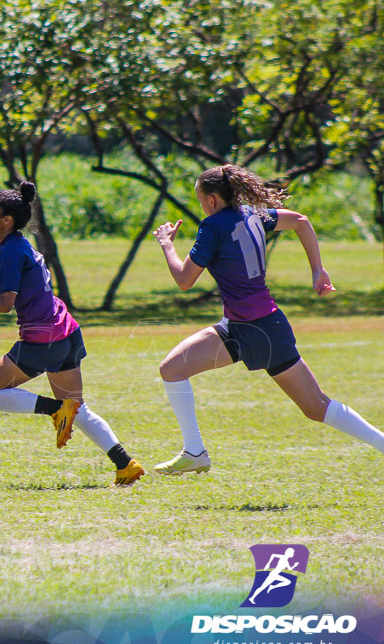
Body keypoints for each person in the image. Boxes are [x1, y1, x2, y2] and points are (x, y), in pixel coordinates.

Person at [152, 164, 384, 474]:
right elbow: (300, 221)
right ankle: (194, 452)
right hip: (241, 325)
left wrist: (167, 243)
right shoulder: (253, 214)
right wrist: (318, 269)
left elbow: (184, 280)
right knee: (172, 368)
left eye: (199, 199)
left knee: (316, 407)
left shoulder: (212, 226)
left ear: (211, 200)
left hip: (261, 328)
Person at [0, 182, 145, 486]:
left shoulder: (12, 251)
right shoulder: (13, 244)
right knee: (78, 409)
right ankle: (125, 463)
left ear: (7, 220)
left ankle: (56, 410)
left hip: (43, 339)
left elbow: (4, 304)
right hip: (66, 332)